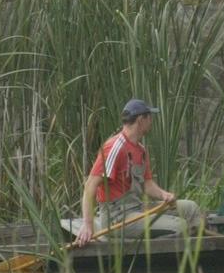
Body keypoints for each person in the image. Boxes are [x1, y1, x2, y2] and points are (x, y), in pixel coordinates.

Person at [67, 98, 204, 244]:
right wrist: (87, 225)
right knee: (180, 226)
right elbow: (90, 186)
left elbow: (147, 183)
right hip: (117, 217)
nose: (151, 121)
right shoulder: (114, 147)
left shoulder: (141, 150)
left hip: (138, 208)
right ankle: (179, 258)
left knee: (191, 208)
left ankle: (200, 255)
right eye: (149, 117)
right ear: (140, 120)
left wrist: (164, 194)